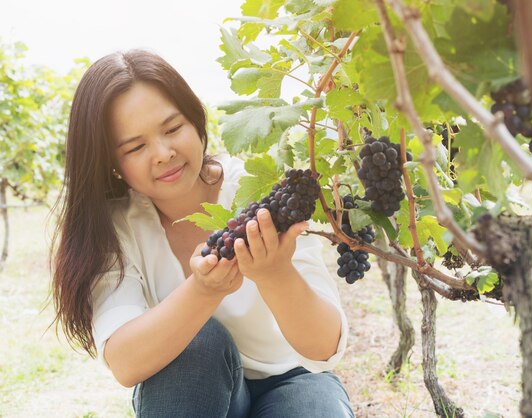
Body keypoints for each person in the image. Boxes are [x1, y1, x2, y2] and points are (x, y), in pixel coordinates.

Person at [51, 49, 354, 418]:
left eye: (173, 128)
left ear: (196, 121)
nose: (163, 153)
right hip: (194, 389)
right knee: (198, 342)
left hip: (295, 378)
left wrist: (275, 274)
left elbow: (324, 347)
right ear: (111, 164)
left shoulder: (262, 189)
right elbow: (126, 363)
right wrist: (203, 291)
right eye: (135, 147)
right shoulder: (116, 226)